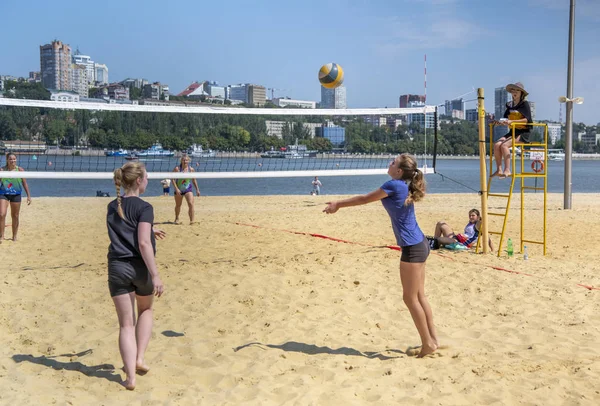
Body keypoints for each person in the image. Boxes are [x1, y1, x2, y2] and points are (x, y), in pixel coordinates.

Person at [323, 153, 437, 358]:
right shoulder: (403, 185)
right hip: (420, 243)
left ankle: (428, 344)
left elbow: (365, 199)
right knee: (419, 296)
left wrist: (338, 204)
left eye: (393, 162)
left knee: (410, 298)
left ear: (399, 171)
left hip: (413, 247)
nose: (389, 164)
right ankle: (432, 341)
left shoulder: (394, 185)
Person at [107, 161, 166, 390]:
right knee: (146, 310)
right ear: (139, 181)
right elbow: (142, 243)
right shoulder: (145, 208)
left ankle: (130, 377)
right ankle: (140, 358)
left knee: (125, 325)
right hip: (140, 268)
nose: (149, 181)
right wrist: (156, 275)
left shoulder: (113, 206)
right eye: (147, 178)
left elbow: (125, 226)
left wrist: (149, 227)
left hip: (117, 268)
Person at [492, 82, 532, 178]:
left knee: (504, 145)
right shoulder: (510, 105)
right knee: (497, 145)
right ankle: (499, 169)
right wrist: (500, 122)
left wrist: (511, 121)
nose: (514, 92)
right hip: (513, 131)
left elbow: (527, 120)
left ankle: (507, 169)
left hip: (523, 133)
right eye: (513, 90)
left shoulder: (524, 104)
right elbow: (506, 118)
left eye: (517, 90)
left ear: (521, 93)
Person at [0, 153, 32, 243]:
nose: (12, 161)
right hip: (3, 194)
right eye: (10, 159)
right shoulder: (2, 170)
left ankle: (14, 236)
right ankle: (1, 236)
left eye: (14, 159)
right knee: (1, 214)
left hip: (16, 194)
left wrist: (28, 196)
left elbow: (24, 183)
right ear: (7, 160)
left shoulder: (20, 170)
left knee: (15, 216)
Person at [172, 154, 200, 224]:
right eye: (183, 160)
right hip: (179, 189)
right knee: (178, 205)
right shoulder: (177, 169)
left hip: (188, 189)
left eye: (186, 160)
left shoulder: (191, 169)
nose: (185, 161)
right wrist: (176, 189)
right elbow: (172, 179)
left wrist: (197, 189)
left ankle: (192, 220)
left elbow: (194, 180)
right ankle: (177, 218)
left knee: (191, 204)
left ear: (189, 161)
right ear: (181, 161)